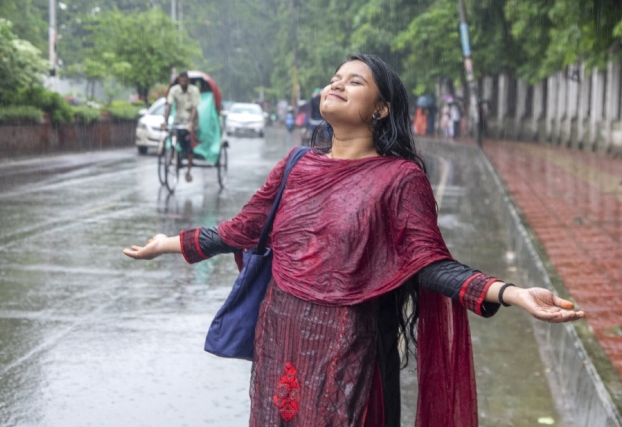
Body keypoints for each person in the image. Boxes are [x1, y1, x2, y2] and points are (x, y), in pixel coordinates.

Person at [123, 54, 585, 426]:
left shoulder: (399, 178)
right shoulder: (295, 165)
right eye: (335, 78)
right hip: (280, 337)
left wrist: (511, 293)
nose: (336, 84)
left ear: (381, 108)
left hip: (352, 349)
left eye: (355, 81)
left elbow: (427, 263)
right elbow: (240, 231)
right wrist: (169, 243)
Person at [163, 71, 201, 183]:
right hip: (178, 121)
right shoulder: (174, 90)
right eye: (181, 81)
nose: (183, 83)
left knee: (189, 146)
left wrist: (190, 123)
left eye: (185, 81)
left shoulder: (193, 90)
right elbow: (169, 105)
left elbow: (194, 108)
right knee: (173, 138)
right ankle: (176, 159)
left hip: (190, 121)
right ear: (179, 80)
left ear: (188, 81)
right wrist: (165, 120)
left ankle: (188, 171)